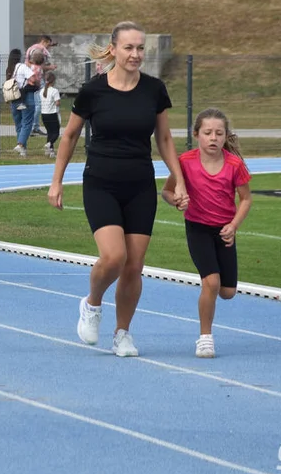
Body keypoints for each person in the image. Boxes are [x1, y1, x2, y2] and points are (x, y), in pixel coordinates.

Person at [47, 21, 188, 358]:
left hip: (140, 184)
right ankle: (92, 304)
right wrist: (56, 181)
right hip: (101, 182)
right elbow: (68, 136)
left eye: (140, 48)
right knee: (114, 257)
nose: (136, 54)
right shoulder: (93, 90)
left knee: (134, 267)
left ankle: (123, 333)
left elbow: (165, 139)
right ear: (113, 49)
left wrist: (179, 178)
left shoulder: (154, 90)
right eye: (129, 47)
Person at [162, 108, 252, 359]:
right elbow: (167, 192)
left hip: (224, 230)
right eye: (208, 132)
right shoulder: (185, 162)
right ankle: (205, 339)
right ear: (196, 135)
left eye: (219, 133)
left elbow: (245, 199)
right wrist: (176, 201)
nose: (213, 138)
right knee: (210, 283)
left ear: (226, 137)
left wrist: (233, 226)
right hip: (198, 227)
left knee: (227, 291)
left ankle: (213, 297)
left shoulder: (235, 165)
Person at [5, 49, 34, 157]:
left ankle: (23, 150)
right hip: (24, 97)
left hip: (14, 98)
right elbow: (33, 78)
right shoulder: (22, 67)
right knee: (27, 122)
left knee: (19, 124)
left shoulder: (9, 69)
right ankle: (20, 144)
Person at [26, 35, 57, 135]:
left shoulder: (32, 49)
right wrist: (50, 67)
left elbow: (30, 63)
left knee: (35, 104)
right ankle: (32, 128)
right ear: (44, 41)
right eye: (48, 44)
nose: (48, 47)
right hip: (36, 81)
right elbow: (38, 66)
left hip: (34, 80)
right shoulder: (38, 51)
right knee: (38, 105)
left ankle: (35, 127)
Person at [40, 71, 62, 158]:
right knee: (56, 133)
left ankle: (50, 151)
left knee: (49, 132)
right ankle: (49, 144)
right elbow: (57, 103)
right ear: (53, 81)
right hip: (52, 113)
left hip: (44, 114)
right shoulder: (54, 91)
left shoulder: (42, 91)